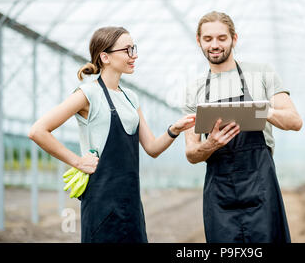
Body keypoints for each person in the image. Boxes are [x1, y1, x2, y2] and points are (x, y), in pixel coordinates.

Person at [29, 26, 195, 243]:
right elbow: (38, 131)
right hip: (101, 203)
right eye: (127, 50)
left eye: (133, 48)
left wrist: (174, 129)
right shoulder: (88, 94)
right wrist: (77, 161)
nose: (133, 55)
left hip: (131, 202)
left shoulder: (130, 97)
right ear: (105, 57)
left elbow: (152, 148)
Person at [183, 11, 302, 243]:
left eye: (221, 38)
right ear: (199, 41)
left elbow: (294, 121)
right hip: (219, 191)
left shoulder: (262, 74)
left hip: (260, 184)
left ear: (234, 39)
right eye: (208, 39)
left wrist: (261, 110)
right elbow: (191, 153)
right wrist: (210, 144)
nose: (215, 45)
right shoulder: (195, 90)